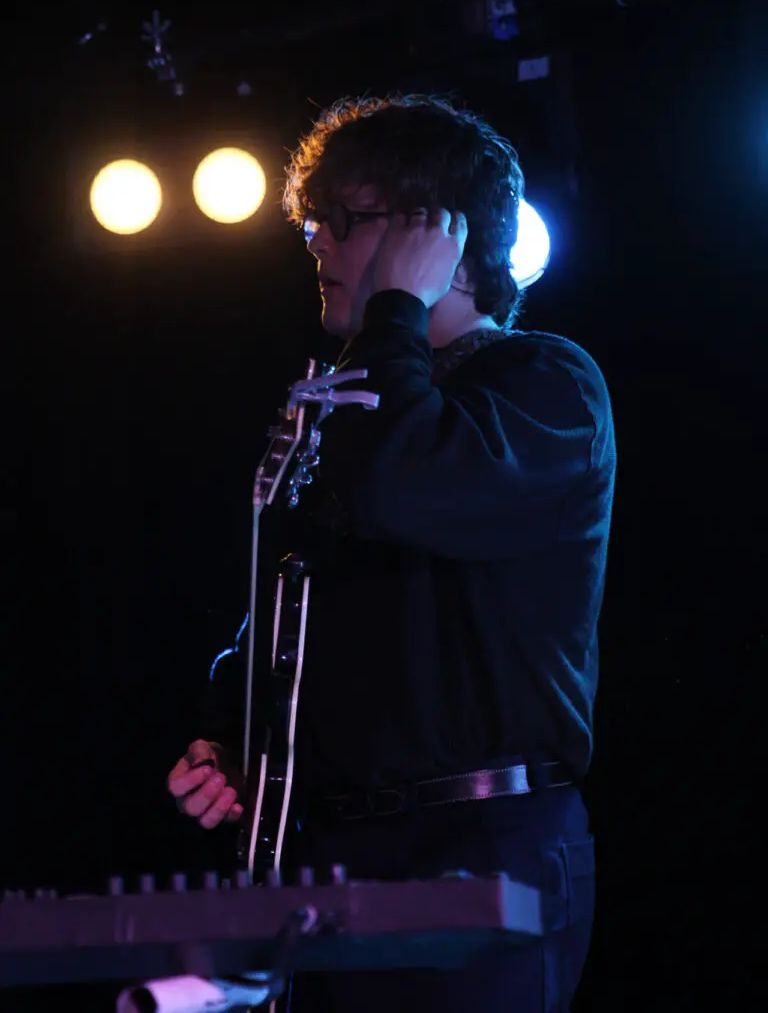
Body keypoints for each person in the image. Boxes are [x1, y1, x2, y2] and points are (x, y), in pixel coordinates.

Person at [167, 94, 616, 1011]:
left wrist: (399, 308)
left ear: (439, 235)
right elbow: (295, 609)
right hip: (332, 859)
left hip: (477, 844)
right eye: (313, 221)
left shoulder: (544, 381)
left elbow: (404, 486)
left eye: (348, 217)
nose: (317, 244)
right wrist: (230, 740)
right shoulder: (355, 399)